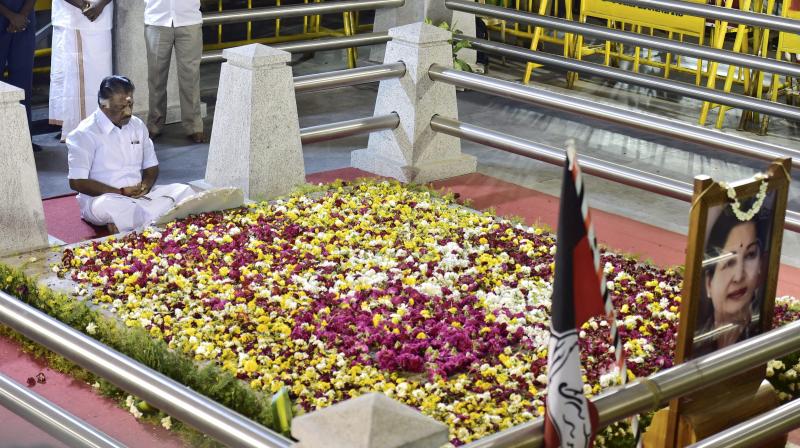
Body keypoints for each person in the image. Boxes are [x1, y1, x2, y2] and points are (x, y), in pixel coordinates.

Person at [67, 75, 195, 233]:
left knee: (185, 191)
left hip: (139, 197)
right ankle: (153, 218)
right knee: (112, 206)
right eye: (121, 107)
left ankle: (131, 222)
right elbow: (77, 182)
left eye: (130, 105)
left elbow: (151, 166)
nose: (128, 112)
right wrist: (120, 192)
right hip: (104, 199)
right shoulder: (84, 133)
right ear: (104, 105)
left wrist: (145, 186)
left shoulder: (137, 125)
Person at [694, 202, 770, 355]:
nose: (739, 276)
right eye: (729, 262)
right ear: (708, 283)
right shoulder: (696, 340)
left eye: (750, 255)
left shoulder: (759, 335)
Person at [49, 0, 113, 141]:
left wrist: (100, 5)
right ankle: (76, 128)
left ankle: (100, 124)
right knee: (74, 78)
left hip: (101, 16)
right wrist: (84, 6)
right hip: (74, 16)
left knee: (100, 75)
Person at [143, 0, 205, 143]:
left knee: (191, 77)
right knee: (156, 77)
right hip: (157, 18)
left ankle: (194, 126)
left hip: (189, 18)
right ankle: (154, 124)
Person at [0, 0, 41, 151]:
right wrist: (11, 16)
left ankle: (23, 141)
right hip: (8, 14)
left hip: (24, 16)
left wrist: (22, 15)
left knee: (22, 82)